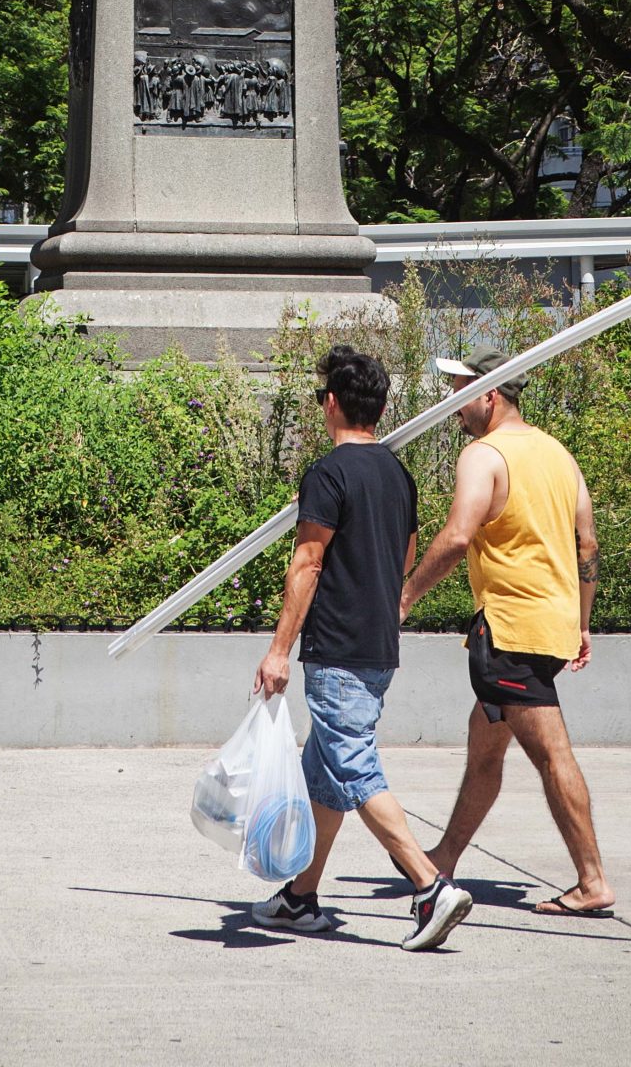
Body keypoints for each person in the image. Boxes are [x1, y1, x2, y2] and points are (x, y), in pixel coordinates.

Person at [251, 345, 473, 952]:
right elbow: (404, 556)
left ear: (330, 402)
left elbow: (308, 562)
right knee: (324, 776)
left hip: (339, 648)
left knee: (352, 765)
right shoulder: (396, 474)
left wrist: (278, 650)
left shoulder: (328, 474)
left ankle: (430, 887)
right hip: (379, 645)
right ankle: (300, 897)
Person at [400, 359, 614, 920]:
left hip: (510, 631)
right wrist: (582, 623)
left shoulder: (484, 456)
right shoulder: (558, 454)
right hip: (550, 626)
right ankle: (444, 856)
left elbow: (457, 535)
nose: (453, 404)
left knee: (552, 754)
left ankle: (592, 881)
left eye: (459, 392)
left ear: (490, 395)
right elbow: (586, 546)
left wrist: (404, 597)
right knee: (486, 749)